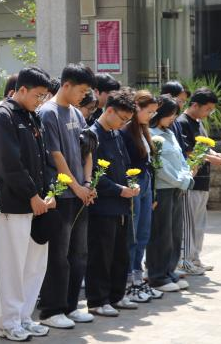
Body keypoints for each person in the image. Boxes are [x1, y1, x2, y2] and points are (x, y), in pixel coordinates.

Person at [0, 66, 53, 342]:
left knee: (32, 266)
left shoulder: (31, 116)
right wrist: (32, 194)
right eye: (37, 95)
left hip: (36, 205)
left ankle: (23, 316)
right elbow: (8, 163)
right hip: (11, 205)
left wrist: (48, 192)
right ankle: (7, 322)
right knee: (10, 267)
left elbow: (43, 158)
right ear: (21, 90)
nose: (40, 101)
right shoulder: (3, 116)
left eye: (44, 96)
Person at [37, 64, 96, 331]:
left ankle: (71, 306)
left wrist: (88, 183)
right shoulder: (48, 113)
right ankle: (52, 309)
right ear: (67, 85)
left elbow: (87, 149)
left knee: (79, 253)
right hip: (61, 194)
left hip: (80, 193)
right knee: (58, 255)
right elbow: (55, 155)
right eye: (81, 90)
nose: (84, 96)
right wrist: (76, 186)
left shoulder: (76, 113)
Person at [85, 88, 140, 317]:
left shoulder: (117, 135)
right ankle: (97, 300)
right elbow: (93, 175)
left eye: (127, 120)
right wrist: (119, 190)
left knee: (120, 254)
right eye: (122, 118)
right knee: (101, 256)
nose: (123, 124)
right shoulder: (92, 135)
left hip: (122, 206)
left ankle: (117, 295)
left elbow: (126, 165)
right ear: (109, 111)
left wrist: (132, 183)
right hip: (102, 208)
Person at [147, 95, 194, 293]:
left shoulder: (170, 133)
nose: (173, 118)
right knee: (161, 234)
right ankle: (157, 276)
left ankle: (169, 271)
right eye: (171, 114)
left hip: (177, 188)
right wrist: (181, 181)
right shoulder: (150, 134)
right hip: (163, 189)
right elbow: (160, 167)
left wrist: (186, 176)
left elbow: (180, 159)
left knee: (175, 233)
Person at [119, 90, 162, 303]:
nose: (151, 116)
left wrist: (152, 193)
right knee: (133, 235)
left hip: (145, 183)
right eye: (149, 111)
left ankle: (138, 277)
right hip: (133, 183)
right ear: (136, 107)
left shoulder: (144, 130)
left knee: (143, 233)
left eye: (154, 112)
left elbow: (150, 164)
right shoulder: (126, 131)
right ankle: (129, 282)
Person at [178, 88, 221, 275]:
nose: (209, 113)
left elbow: (205, 147)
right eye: (208, 109)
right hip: (191, 182)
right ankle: (185, 262)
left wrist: (216, 154)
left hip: (202, 181)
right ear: (195, 105)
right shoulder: (182, 122)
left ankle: (195, 259)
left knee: (199, 224)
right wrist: (212, 158)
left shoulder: (198, 123)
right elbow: (188, 151)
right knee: (188, 225)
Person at [160, 81, 189, 152]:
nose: (182, 105)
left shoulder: (176, 121)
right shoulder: (161, 120)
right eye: (181, 100)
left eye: (184, 101)